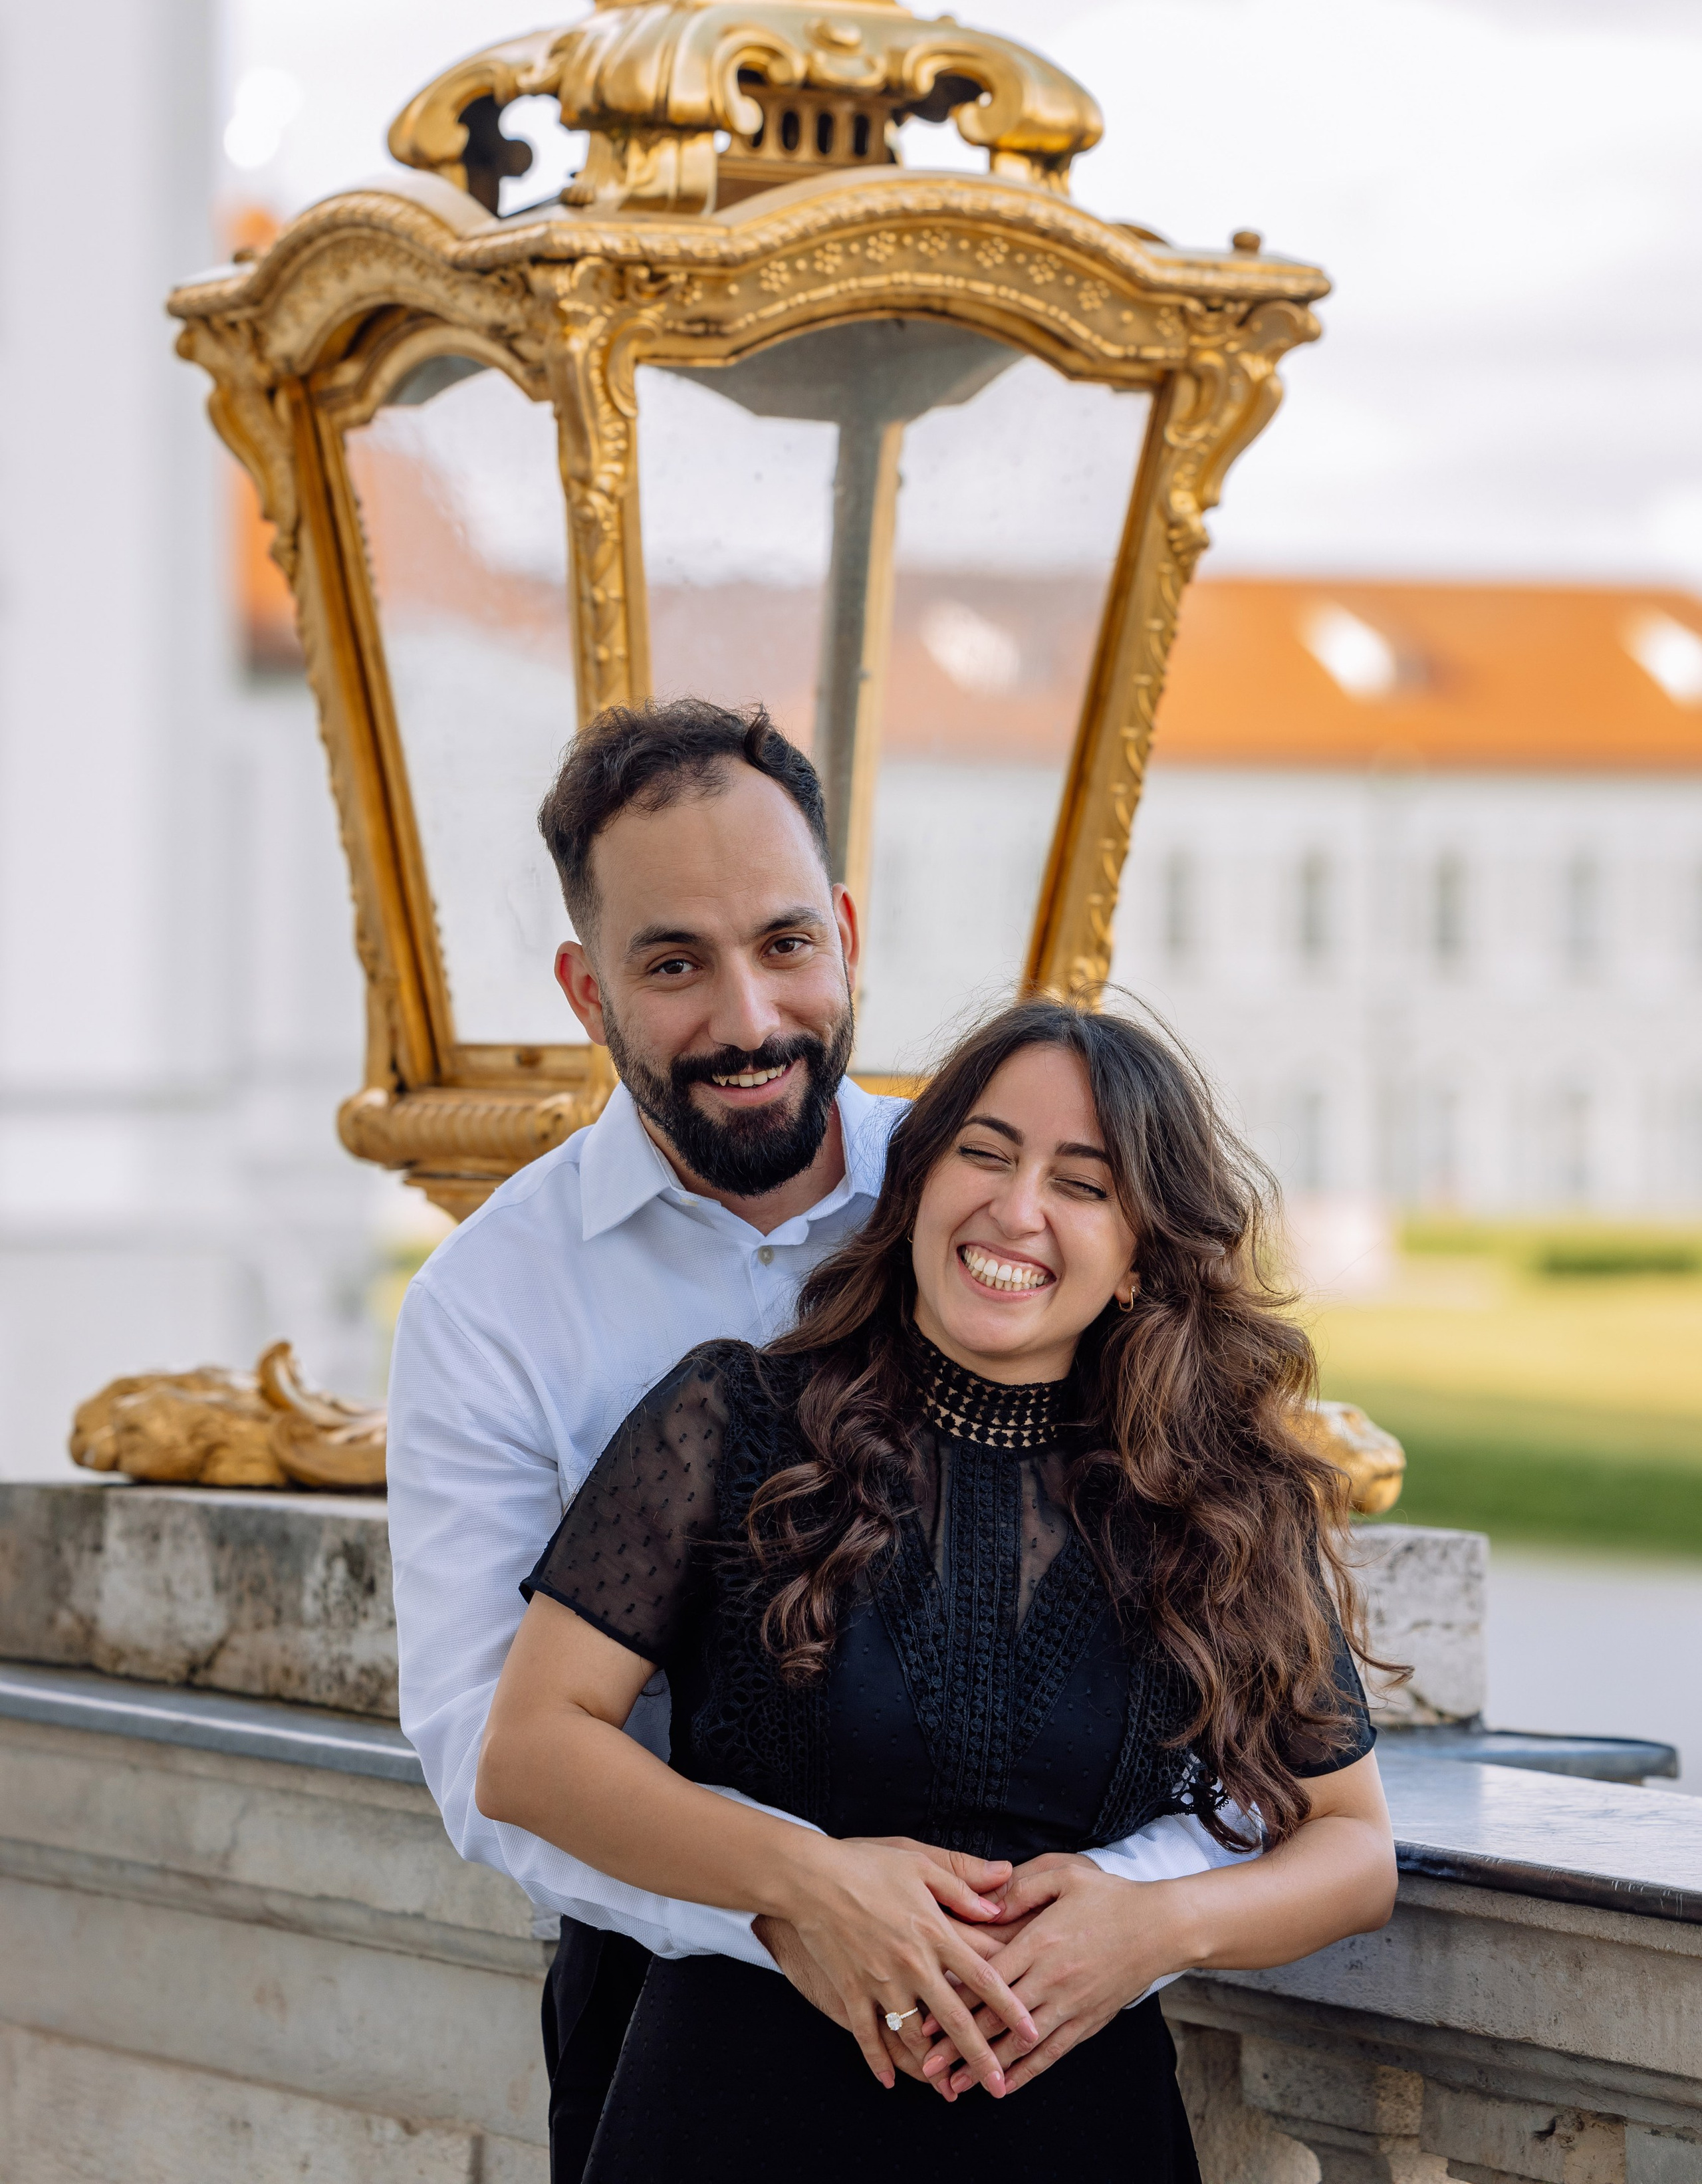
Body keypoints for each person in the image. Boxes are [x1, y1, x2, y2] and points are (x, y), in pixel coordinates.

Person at [388, 699, 1248, 2184]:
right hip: (685, 2011)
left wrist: (1097, 1916)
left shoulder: (993, 1199)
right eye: (674, 965)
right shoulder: (488, 1301)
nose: (747, 1018)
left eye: (784, 943)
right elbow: (485, 1748)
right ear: (586, 990)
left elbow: (1213, 1624)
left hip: (1050, 2023)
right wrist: (789, 1904)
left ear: (844, 932)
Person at [477, 995, 1398, 2182]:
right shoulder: (735, 1421)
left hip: (1078, 2139)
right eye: (986, 1152)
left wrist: (1158, 1926)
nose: (1017, 1209)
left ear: (1138, 1257)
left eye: (1084, 1182)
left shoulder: (1215, 1508)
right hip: (738, 2120)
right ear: (914, 1185)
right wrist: (809, 1881)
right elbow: (531, 1751)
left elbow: (1355, 1849)